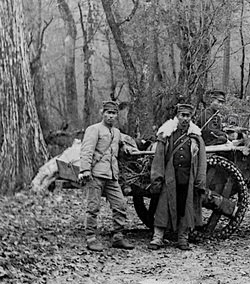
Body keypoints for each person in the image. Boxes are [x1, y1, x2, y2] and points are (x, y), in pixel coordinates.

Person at [148, 103, 208, 251]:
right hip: (170, 177)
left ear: (191, 117)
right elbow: (159, 158)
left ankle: (183, 238)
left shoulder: (196, 138)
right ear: (177, 116)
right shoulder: (166, 134)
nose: (185, 119)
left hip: (188, 179)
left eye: (188, 116)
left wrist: (200, 181)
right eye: (183, 115)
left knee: (185, 208)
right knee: (163, 207)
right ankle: (157, 238)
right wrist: (157, 178)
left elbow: (201, 161)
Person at [78, 100, 135, 252]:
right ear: (102, 113)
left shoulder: (116, 133)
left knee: (120, 204)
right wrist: (85, 170)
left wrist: (128, 148)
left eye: (113, 113)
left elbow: (121, 145)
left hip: (112, 175)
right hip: (95, 174)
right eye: (108, 113)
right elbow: (87, 150)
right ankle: (91, 238)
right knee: (93, 207)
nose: (110, 116)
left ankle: (118, 237)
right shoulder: (94, 129)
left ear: (117, 115)